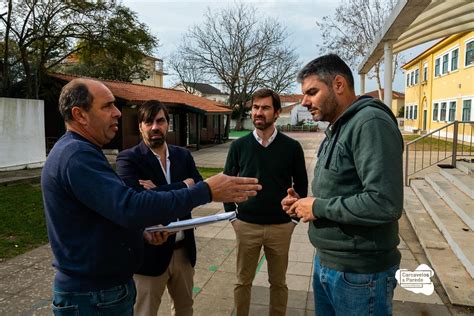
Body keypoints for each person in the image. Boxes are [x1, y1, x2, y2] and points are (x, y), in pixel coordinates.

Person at [41, 78, 262, 315]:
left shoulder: (80, 151)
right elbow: (131, 205)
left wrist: (141, 230)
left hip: (103, 290)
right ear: (80, 115)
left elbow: (112, 212)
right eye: (107, 106)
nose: (117, 113)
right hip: (93, 296)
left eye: (115, 105)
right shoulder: (77, 156)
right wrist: (204, 190)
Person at [282, 54, 403, 316]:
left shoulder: (370, 123)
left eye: (312, 92)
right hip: (329, 263)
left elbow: (385, 203)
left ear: (338, 85)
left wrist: (318, 207)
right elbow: (343, 188)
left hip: (360, 275)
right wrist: (303, 204)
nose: (304, 102)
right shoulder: (338, 127)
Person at [224, 88, 308, 316]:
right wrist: (233, 217)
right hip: (246, 226)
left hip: (281, 227)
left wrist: (293, 220)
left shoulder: (291, 147)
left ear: (277, 113)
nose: (258, 112)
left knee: (278, 283)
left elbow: (301, 185)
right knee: (242, 281)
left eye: (265, 108)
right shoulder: (238, 147)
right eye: (255, 107)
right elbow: (226, 184)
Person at [116, 100, 200, 316]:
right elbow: (135, 202)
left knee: (185, 309)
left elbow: (199, 191)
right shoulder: (128, 159)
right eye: (148, 121)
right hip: (148, 255)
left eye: (160, 121)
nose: (155, 126)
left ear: (167, 124)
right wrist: (183, 186)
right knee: (145, 312)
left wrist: (156, 191)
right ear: (140, 126)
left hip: (183, 251)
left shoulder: (183, 155)